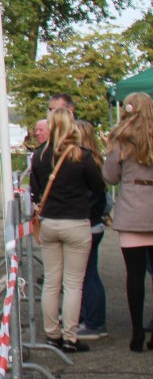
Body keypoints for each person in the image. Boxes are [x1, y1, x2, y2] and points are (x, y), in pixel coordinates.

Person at [30, 107, 105, 353]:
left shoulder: (39, 156)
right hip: (76, 221)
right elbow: (98, 186)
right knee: (73, 283)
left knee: (52, 282)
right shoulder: (81, 155)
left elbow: (36, 189)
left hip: (50, 222)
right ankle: (70, 336)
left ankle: (52, 333)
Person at [102, 91, 153, 352]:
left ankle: (136, 334)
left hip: (132, 209)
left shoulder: (121, 139)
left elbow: (110, 176)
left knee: (134, 275)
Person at [74, 120, 109, 340]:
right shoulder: (95, 161)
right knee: (87, 274)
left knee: (87, 275)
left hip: (87, 223)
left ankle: (94, 322)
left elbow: (94, 197)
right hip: (92, 222)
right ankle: (88, 317)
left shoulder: (88, 164)